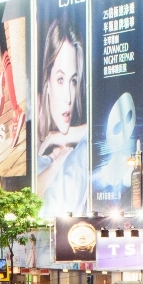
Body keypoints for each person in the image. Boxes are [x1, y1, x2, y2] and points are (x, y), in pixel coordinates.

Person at [36, 15, 88, 216]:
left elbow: (101, 127)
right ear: (47, 82)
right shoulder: (34, 157)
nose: (68, 97)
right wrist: (56, 164)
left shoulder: (81, 152)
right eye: (60, 79)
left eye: (73, 81)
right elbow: (29, 196)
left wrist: (65, 136)